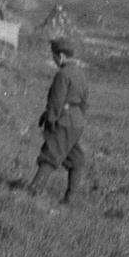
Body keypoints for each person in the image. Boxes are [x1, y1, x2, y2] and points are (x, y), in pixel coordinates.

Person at [27, 35, 88, 202]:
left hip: (63, 121)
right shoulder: (81, 74)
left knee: (50, 156)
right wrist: (78, 119)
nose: (53, 60)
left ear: (61, 56)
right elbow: (85, 103)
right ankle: (71, 198)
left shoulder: (63, 74)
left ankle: (33, 193)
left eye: (53, 56)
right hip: (76, 123)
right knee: (76, 159)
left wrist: (51, 121)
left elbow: (56, 102)